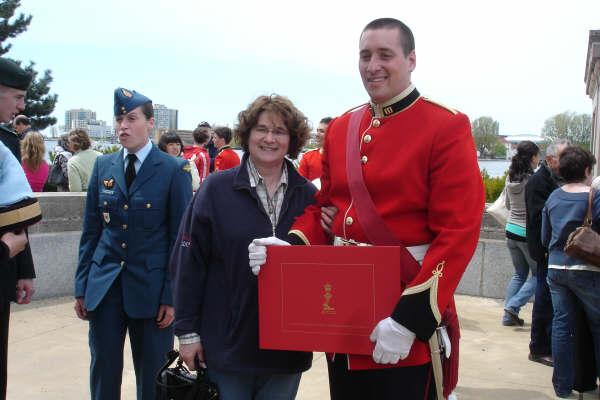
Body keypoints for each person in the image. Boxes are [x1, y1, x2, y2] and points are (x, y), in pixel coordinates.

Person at [249, 18, 484, 400]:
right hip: (343, 312)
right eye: (365, 56)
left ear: (411, 60)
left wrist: (411, 320)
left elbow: (458, 232)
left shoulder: (445, 125)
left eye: (385, 55)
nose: (373, 65)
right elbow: (326, 206)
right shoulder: (343, 126)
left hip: (403, 305)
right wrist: (292, 248)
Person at [170, 95, 316, 399]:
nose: (269, 138)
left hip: (286, 352)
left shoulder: (308, 196)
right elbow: (188, 262)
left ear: (293, 139)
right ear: (247, 134)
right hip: (226, 346)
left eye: (279, 131)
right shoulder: (215, 189)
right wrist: (187, 332)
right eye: (261, 129)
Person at [74, 87, 192, 400]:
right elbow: (91, 231)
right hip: (106, 286)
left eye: (131, 118)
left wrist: (171, 295)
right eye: (118, 119)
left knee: (153, 378)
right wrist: (82, 286)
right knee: (103, 372)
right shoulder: (104, 166)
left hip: (152, 292)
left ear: (150, 123)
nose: (122, 126)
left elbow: (179, 239)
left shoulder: (173, 170)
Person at [541, 146, 600, 398]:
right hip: (586, 269)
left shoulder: (553, 197)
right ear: (587, 170)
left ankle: (562, 388)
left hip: (555, 267)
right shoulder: (594, 196)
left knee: (562, 327)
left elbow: (545, 237)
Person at [0, 57, 36, 400]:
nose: (22, 107)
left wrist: (24, 270)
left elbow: (16, 213)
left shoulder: (6, 141)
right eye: (17, 97)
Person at [526, 139, 570, 367]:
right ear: (551, 159)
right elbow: (538, 218)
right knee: (543, 300)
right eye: (564, 158)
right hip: (544, 250)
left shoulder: (556, 178)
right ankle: (539, 347)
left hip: (553, 250)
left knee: (550, 301)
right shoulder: (538, 181)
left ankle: (548, 345)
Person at [502, 141, 540, 326]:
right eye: (537, 156)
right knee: (540, 274)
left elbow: (508, 205)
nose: (538, 160)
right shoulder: (532, 180)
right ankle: (513, 306)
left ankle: (507, 316)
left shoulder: (510, 178)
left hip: (510, 230)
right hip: (527, 234)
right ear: (532, 157)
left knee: (519, 274)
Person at [298, 116, 331, 182]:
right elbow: (300, 184)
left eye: (321, 131)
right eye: (317, 131)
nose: (317, 135)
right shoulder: (307, 157)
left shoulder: (342, 158)